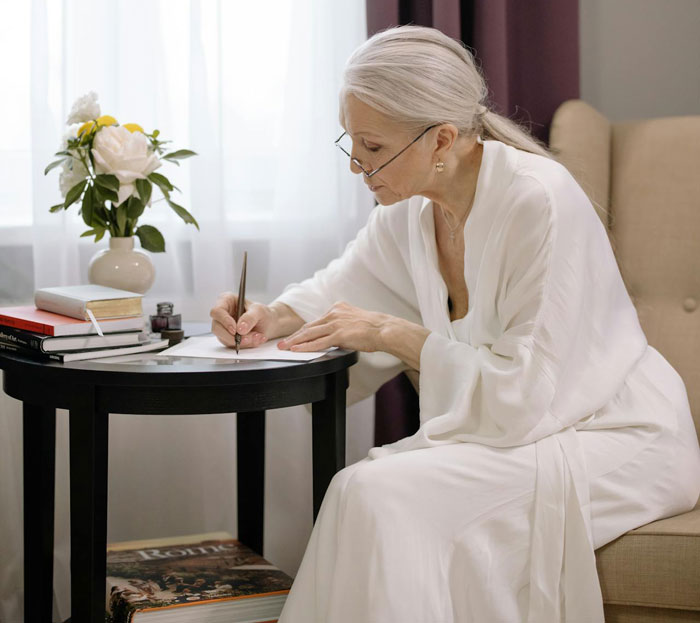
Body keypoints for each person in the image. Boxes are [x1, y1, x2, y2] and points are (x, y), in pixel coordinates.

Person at [210, 25, 700, 622]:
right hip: (521, 429)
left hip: (612, 434)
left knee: (376, 493)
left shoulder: (537, 202)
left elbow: (526, 395)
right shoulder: (411, 210)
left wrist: (396, 335)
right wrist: (267, 316)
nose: (357, 166)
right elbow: (336, 290)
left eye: (371, 146)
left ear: (441, 139)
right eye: (351, 143)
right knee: (359, 491)